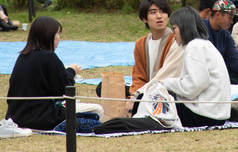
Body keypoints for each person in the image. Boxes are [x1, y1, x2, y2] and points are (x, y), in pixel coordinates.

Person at [94, 7, 230, 134]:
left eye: (175, 28)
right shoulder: (203, 44)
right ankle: (126, 119)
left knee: (146, 101)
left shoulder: (194, 46)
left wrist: (167, 84)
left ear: (184, 28)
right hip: (215, 113)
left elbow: (194, 86)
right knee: (147, 99)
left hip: (203, 115)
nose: (172, 33)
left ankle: (122, 121)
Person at [6, 16, 103, 131]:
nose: (59, 39)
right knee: (98, 110)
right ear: (48, 34)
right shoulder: (49, 56)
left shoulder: (22, 57)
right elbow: (64, 90)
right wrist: (71, 71)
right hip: (43, 118)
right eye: (58, 34)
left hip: (15, 117)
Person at [115, 0, 184, 115]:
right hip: (146, 89)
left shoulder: (176, 40)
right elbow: (139, 76)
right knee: (105, 88)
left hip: (166, 92)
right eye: (153, 12)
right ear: (144, 19)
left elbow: (166, 77)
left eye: (163, 11)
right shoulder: (141, 44)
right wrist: (134, 95)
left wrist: (136, 96)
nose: (159, 16)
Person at [205, 0, 238, 87]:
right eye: (230, 18)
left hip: (220, 71)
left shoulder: (225, 33)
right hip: (205, 73)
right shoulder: (201, 30)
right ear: (218, 15)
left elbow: (234, 55)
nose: (231, 22)